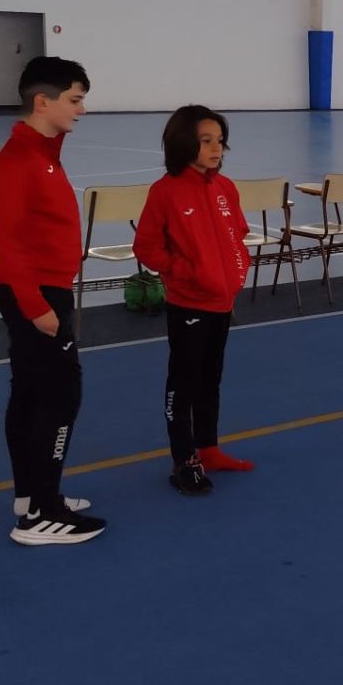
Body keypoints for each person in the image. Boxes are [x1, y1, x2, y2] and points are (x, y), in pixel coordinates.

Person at [0, 55, 105, 545]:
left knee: (32, 394)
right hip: (34, 294)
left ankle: (31, 494)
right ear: (44, 101)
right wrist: (40, 310)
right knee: (60, 397)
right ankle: (41, 514)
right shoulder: (18, 161)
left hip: (44, 289)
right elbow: (9, 243)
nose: (81, 110)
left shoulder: (45, 156)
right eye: (75, 100)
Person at [133, 105, 253, 497]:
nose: (216, 148)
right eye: (206, 141)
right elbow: (147, 247)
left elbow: (238, 232)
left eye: (219, 141)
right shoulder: (165, 192)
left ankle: (209, 449)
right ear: (185, 143)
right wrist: (186, 272)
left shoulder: (226, 188)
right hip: (189, 304)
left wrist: (234, 275)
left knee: (210, 380)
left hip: (221, 302)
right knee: (182, 385)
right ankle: (184, 462)